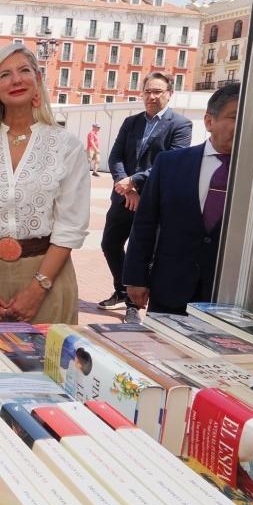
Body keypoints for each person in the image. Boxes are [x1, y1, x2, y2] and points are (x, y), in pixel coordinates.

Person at [0, 42, 90, 329]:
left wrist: (37, 289)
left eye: (24, 70)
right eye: (5, 74)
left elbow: (70, 226)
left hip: (46, 276)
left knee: (41, 371)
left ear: (37, 80)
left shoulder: (66, 146)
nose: (16, 80)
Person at [123, 84, 253, 315]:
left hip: (237, 303)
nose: (246, 125)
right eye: (235, 116)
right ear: (209, 122)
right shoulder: (170, 164)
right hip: (170, 294)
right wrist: (136, 277)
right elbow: (145, 223)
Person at [98, 72, 193, 323]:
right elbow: (115, 156)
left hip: (153, 201)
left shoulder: (180, 125)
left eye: (157, 92)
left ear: (169, 94)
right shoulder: (131, 122)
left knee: (140, 253)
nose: (151, 96)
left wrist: (136, 182)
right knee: (109, 244)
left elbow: (171, 163)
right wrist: (125, 186)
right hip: (123, 197)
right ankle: (121, 288)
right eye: (147, 91)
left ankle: (132, 303)